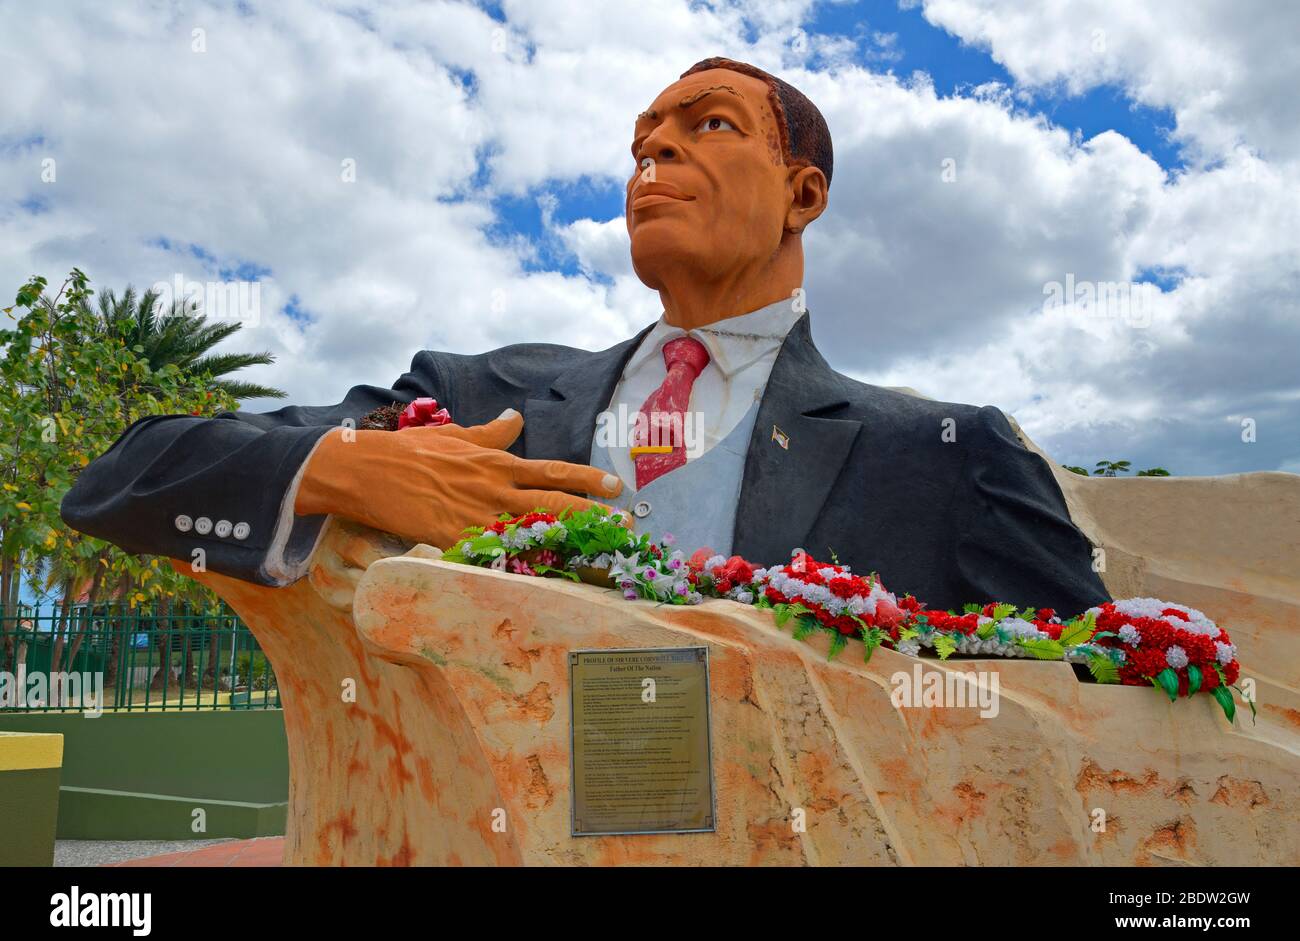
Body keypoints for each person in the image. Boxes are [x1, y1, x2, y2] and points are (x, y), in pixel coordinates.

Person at [62, 57, 1109, 613]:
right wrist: (347, 469)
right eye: (641, 140)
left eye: (707, 125)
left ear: (804, 194)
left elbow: (1116, 722)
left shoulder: (945, 456)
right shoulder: (479, 398)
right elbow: (120, 477)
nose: (654, 148)